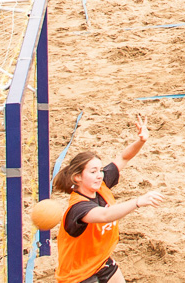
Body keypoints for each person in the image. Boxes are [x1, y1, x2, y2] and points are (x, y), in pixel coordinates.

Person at [50, 116, 163, 283]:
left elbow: (123, 158)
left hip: (100, 261)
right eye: (93, 171)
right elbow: (105, 215)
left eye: (100, 170)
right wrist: (137, 202)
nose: (99, 175)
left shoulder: (100, 185)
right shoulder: (78, 208)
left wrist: (141, 141)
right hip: (77, 276)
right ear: (77, 178)